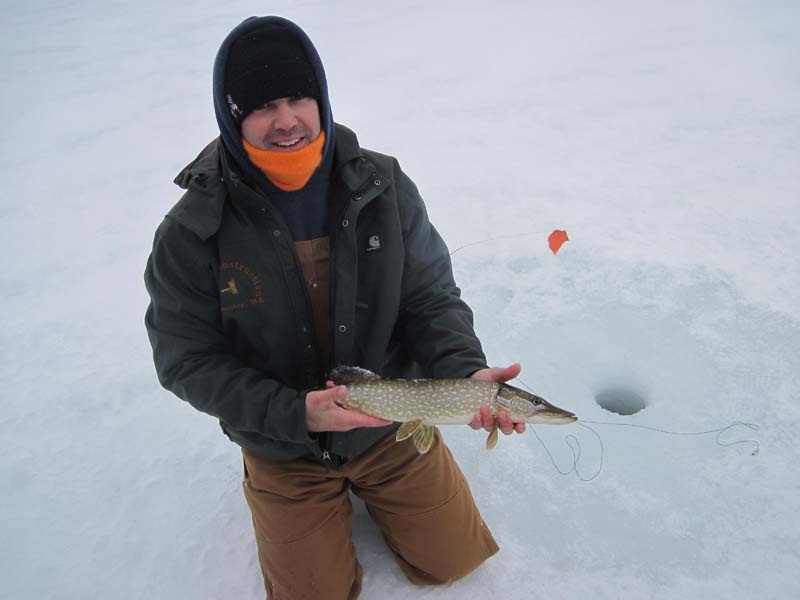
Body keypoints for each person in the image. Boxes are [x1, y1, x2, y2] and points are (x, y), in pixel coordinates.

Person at [144, 15, 527, 600]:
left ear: (320, 97)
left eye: (298, 97)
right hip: (283, 447)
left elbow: (428, 296)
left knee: (454, 562)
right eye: (262, 106)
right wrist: (294, 413)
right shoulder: (192, 231)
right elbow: (186, 359)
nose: (286, 121)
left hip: (388, 430)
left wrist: (463, 369)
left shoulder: (382, 185)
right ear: (231, 117)